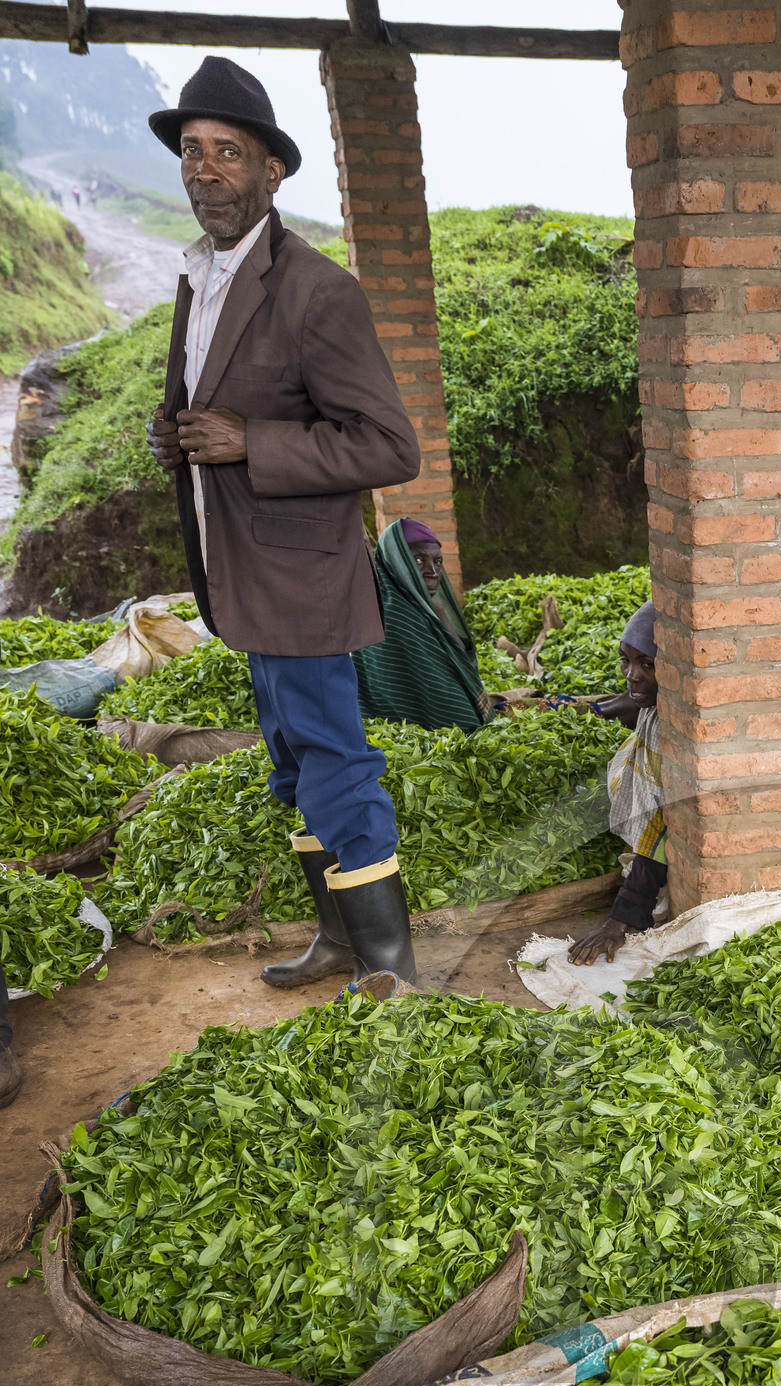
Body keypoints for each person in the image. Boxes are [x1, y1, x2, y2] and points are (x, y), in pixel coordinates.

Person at [143, 56, 424, 991]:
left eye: (229, 151)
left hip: (302, 581)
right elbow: (218, 402)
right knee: (291, 761)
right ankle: (339, 940)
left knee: (337, 764)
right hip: (243, 579)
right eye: (193, 150)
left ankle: (390, 966)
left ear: (272, 172)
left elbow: (388, 446)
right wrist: (180, 433)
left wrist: (249, 441)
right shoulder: (202, 278)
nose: (205, 169)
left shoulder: (316, 290)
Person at [566, 601, 669, 965]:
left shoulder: (671, 736)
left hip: (660, 863)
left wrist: (618, 922)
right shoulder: (653, 705)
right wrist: (588, 710)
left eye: (648, 664)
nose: (632, 675)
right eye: (626, 660)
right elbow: (632, 702)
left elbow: (660, 831)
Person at [353, 518, 493, 733]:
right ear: (395, 562)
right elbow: (441, 704)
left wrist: (441, 614)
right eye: (418, 561)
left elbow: (463, 668)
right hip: (409, 738)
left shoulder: (424, 610)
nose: (433, 572)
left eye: (437, 562)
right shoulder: (390, 616)